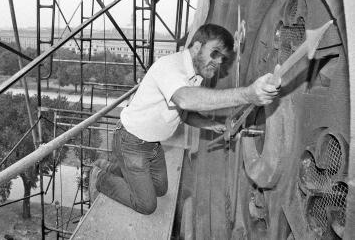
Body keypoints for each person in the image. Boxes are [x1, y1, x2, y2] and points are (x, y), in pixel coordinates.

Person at [89, 23, 280, 215]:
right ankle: (100, 177)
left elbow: (184, 113)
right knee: (147, 205)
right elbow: (185, 99)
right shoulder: (170, 66)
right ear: (197, 47)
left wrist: (210, 124)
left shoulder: (195, 75)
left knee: (160, 190)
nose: (219, 62)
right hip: (130, 141)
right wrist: (248, 94)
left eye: (223, 58)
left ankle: (115, 167)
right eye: (215, 53)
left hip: (152, 144)